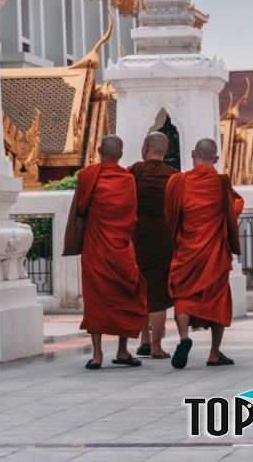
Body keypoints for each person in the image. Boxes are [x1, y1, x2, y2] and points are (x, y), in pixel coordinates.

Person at [164, 137, 244, 369]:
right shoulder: (221, 183)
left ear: (192, 154)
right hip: (214, 251)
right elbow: (236, 205)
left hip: (186, 250)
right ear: (216, 159)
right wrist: (223, 221)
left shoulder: (177, 182)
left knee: (184, 295)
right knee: (217, 298)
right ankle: (214, 353)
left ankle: (183, 338)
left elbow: (170, 215)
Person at [76, 134, 147, 369]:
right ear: (120, 154)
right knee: (125, 295)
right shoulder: (127, 179)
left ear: (98, 150)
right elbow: (132, 215)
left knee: (95, 298)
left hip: (96, 248)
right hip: (121, 248)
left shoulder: (88, 176)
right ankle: (122, 350)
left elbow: (81, 208)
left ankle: (97, 355)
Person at [128, 131, 178, 359]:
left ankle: (144, 341)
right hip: (163, 238)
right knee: (158, 292)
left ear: (144, 148)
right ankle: (156, 346)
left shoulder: (134, 172)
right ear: (165, 151)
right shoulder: (174, 177)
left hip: (138, 236)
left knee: (141, 289)